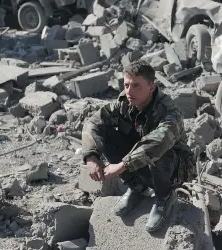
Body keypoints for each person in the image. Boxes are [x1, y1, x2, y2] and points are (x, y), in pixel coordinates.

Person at [81, 61, 195, 233]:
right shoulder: (124, 103)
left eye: (136, 85)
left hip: (173, 168)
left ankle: (164, 197)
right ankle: (138, 188)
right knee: (106, 132)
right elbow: (94, 122)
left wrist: (121, 166)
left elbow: (158, 143)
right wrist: (91, 156)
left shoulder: (169, 111)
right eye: (126, 85)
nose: (129, 91)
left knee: (160, 151)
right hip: (141, 163)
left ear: (151, 87)